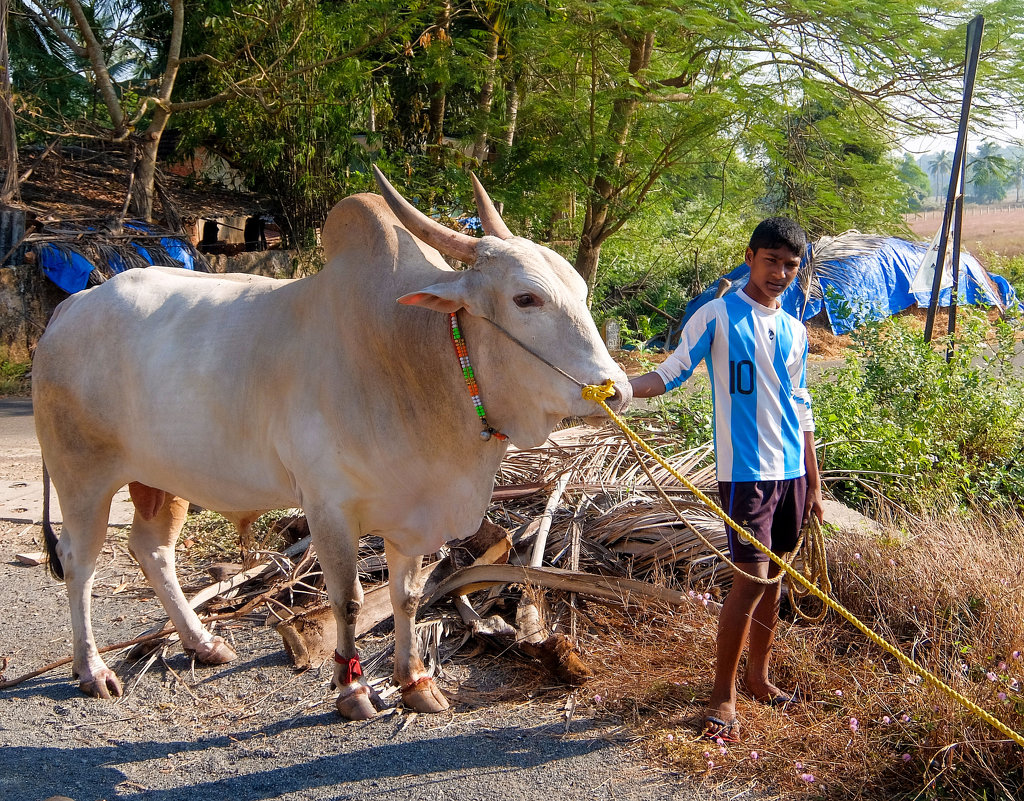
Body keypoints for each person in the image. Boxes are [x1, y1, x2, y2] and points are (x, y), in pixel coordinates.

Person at [629, 217, 824, 743]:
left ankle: (759, 679)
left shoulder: (796, 330)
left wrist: (815, 477)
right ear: (750, 256)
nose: (780, 272)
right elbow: (670, 373)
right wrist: (620, 388)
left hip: (791, 472)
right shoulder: (716, 315)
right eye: (771, 261)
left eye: (790, 264)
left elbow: (801, 405)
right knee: (751, 580)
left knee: (777, 579)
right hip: (747, 475)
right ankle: (722, 695)